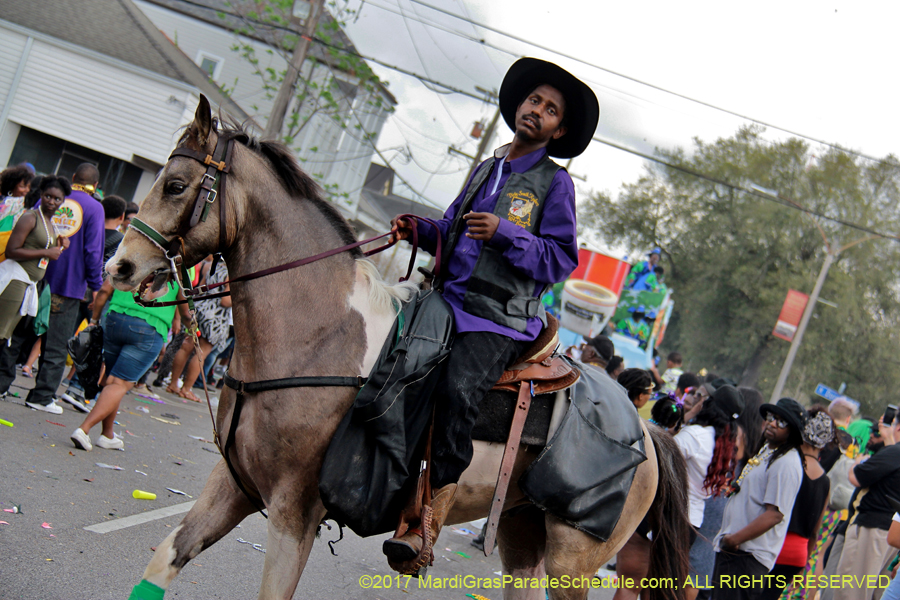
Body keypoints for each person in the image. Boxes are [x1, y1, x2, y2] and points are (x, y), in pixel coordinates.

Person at [382, 57, 598, 565]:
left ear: (558, 128)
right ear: (518, 107)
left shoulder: (555, 184)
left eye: (550, 109)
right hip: (445, 301)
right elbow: (452, 231)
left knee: (459, 390)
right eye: (533, 101)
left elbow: (561, 259)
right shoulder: (487, 169)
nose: (537, 111)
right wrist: (419, 228)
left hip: (497, 318)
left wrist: (506, 234)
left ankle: (426, 523)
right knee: (387, 360)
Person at [0, 163, 104, 414]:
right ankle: (43, 395)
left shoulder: (51, 199)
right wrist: (95, 286)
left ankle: (2, 383)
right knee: (55, 346)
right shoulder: (94, 208)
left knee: (18, 337)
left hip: (35, 280)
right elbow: (93, 251)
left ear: (72, 178)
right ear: (96, 186)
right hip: (68, 287)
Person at [70, 278, 189, 451]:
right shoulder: (176, 269)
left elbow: (104, 290)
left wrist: (94, 320)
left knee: (113, 381)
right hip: (149, 327)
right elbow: (186, 312)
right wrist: (192, 327)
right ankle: (84, 429)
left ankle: (107, 434)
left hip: (114, 321)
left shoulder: (130, 258)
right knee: (119, 383)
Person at [711, 397, 807, 600]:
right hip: (734, 551)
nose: (772, 423)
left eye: (781, 422)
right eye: (772, 417)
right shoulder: (768, 449)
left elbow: (774, 515)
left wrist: (734, 539)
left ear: (793, 431)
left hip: (746, 556)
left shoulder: (787, 463)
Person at [676, 384, 743, 600]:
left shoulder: (695, 435)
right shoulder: (724, 445)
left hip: (674, 513)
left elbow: (661, 458)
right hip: (693, 519)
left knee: (655, 583)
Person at [762, 409, 834, 600]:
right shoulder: (826, 481)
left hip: (772, 544)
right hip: (797, 554)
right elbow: (815, 532)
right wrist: (803, 564)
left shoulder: (789, 465)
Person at [832, 415, 900, 600]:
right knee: (877, 593)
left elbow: (856, 476)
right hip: (891, 535)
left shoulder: (895, 452)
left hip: (873, 529)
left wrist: (857, 462)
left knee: (851, 592)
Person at [0, 176, 68, 344]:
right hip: (14, 280)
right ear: (41, 194)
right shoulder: (31, 217)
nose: (52, 201)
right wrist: (46, 252)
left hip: (27, 284)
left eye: (57, 199)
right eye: (48, 196)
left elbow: (45, 252)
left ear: (63, 202)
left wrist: (60, 247)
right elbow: (11, 251)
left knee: (5, 334)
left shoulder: (50, 224)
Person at [166, 261, 231, 401]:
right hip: (215, 316)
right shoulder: (231, 271)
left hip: (199, 307)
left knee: (186, 347)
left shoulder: (209, 265)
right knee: (202, 351)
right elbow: (225, 301)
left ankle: (173, 383)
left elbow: (201, 286)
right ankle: (186, 389)